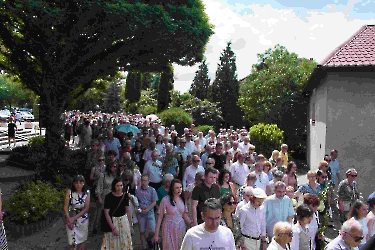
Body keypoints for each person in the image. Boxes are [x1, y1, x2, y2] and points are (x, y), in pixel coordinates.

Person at [154, 179, 192, 249]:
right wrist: (156, 235)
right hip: (168, 226)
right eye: (177, 188)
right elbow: (159, 218)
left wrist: (192, 224)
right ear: (172, 189)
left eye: (180, 187)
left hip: (181, 226)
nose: (179, 189)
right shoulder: (165, 200)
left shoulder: (182, 199)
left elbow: (184, 214)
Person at [101, 178, 132, 250]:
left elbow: (128, 211)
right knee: (112, 243)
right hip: (113, 221)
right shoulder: (108, 197)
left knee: (124, 243)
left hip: (124, 221)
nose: (119, 188)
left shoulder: (125, 196)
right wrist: (113, 227)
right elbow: (106, 213)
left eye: (121, 185)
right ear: (114, 186)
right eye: (117, 186)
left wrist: (130, 225)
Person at [63, 175, 90, 250]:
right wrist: (69, 220)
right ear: (73, 183)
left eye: (81, 182)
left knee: (81, 243)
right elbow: (65, 206)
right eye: (76, 183)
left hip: (83, 220)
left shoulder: (87, 192)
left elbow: (86, 208)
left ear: (84, 183)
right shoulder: (69, 191)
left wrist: (74, 218)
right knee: (72, 243)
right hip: (71, 217)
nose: (78, 185)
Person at [136, 173, 158, 249]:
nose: (143, 182)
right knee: (142, 231)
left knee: (153, 230)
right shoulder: (137, 190)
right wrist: (139, 210)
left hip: (150, 213)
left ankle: (149, 239)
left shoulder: (152, 190)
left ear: (148, 181)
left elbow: (154, 202)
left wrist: (147, 210)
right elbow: (136, 202)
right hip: (141, 213)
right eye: (142, 180)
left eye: (145, 181)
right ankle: (144, 247)